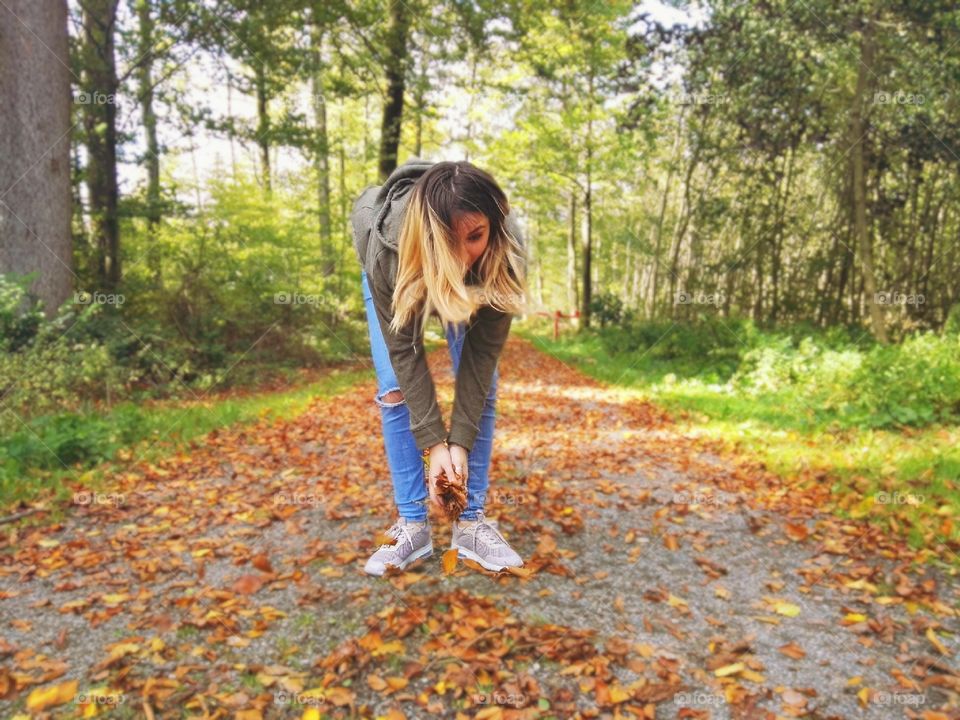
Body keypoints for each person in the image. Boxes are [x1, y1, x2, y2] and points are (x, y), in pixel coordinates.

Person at [350, 157, 527, 576]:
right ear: (430, 236)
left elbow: (479, 361)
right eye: (452, 241)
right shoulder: (384, 246)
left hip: (476, 271)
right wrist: (433, 443)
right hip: (403, 268)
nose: (465, 255)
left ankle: (471, 522)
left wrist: (459, 443)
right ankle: (412, 526)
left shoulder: (506, 251)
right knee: (394, 387)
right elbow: (405, 352)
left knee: (484, 383)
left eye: (476, 236)